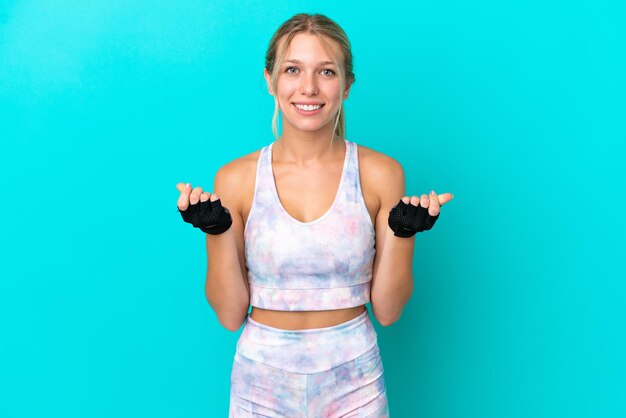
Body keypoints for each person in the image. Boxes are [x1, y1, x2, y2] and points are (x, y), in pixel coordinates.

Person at [176, 13, 453, 417]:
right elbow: (229, 314)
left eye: (326, 71)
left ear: (347, 85)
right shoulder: (235, 179)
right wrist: (215, 231)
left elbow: (389, 312)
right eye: (292, 70)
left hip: (354, 382)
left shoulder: (381, 174)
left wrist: (404, 234)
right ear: (270, 79)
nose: (308, 87)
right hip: (261, 385)